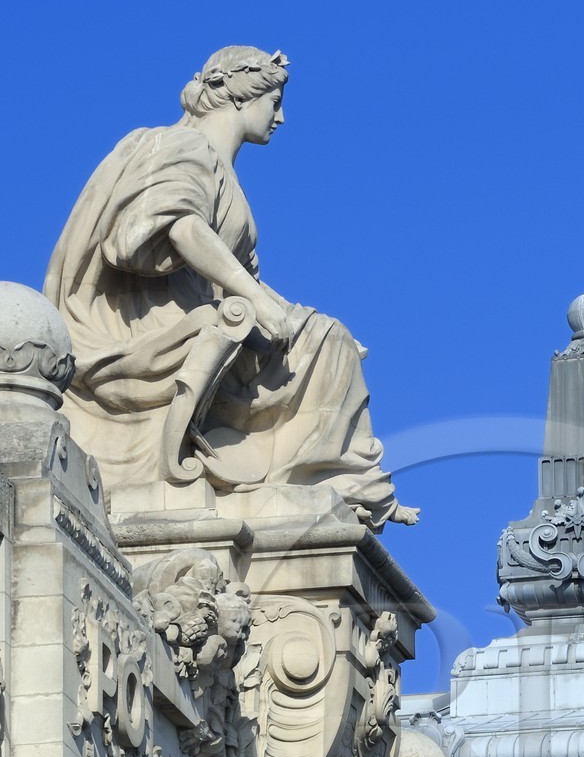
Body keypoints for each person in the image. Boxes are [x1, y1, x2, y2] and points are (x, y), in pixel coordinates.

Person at [45, 46, 416, 529]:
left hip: (206, 311)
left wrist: (286, 311)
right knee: (327, 342)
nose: (280, 117)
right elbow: (174, 226)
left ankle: (350, 483)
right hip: (149, 324)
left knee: (327, 338)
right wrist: (261, 304)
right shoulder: (181, 146)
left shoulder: (222, 173)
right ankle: (337, 480)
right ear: (243, 97)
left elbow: (239, 275)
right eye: (275, 101)